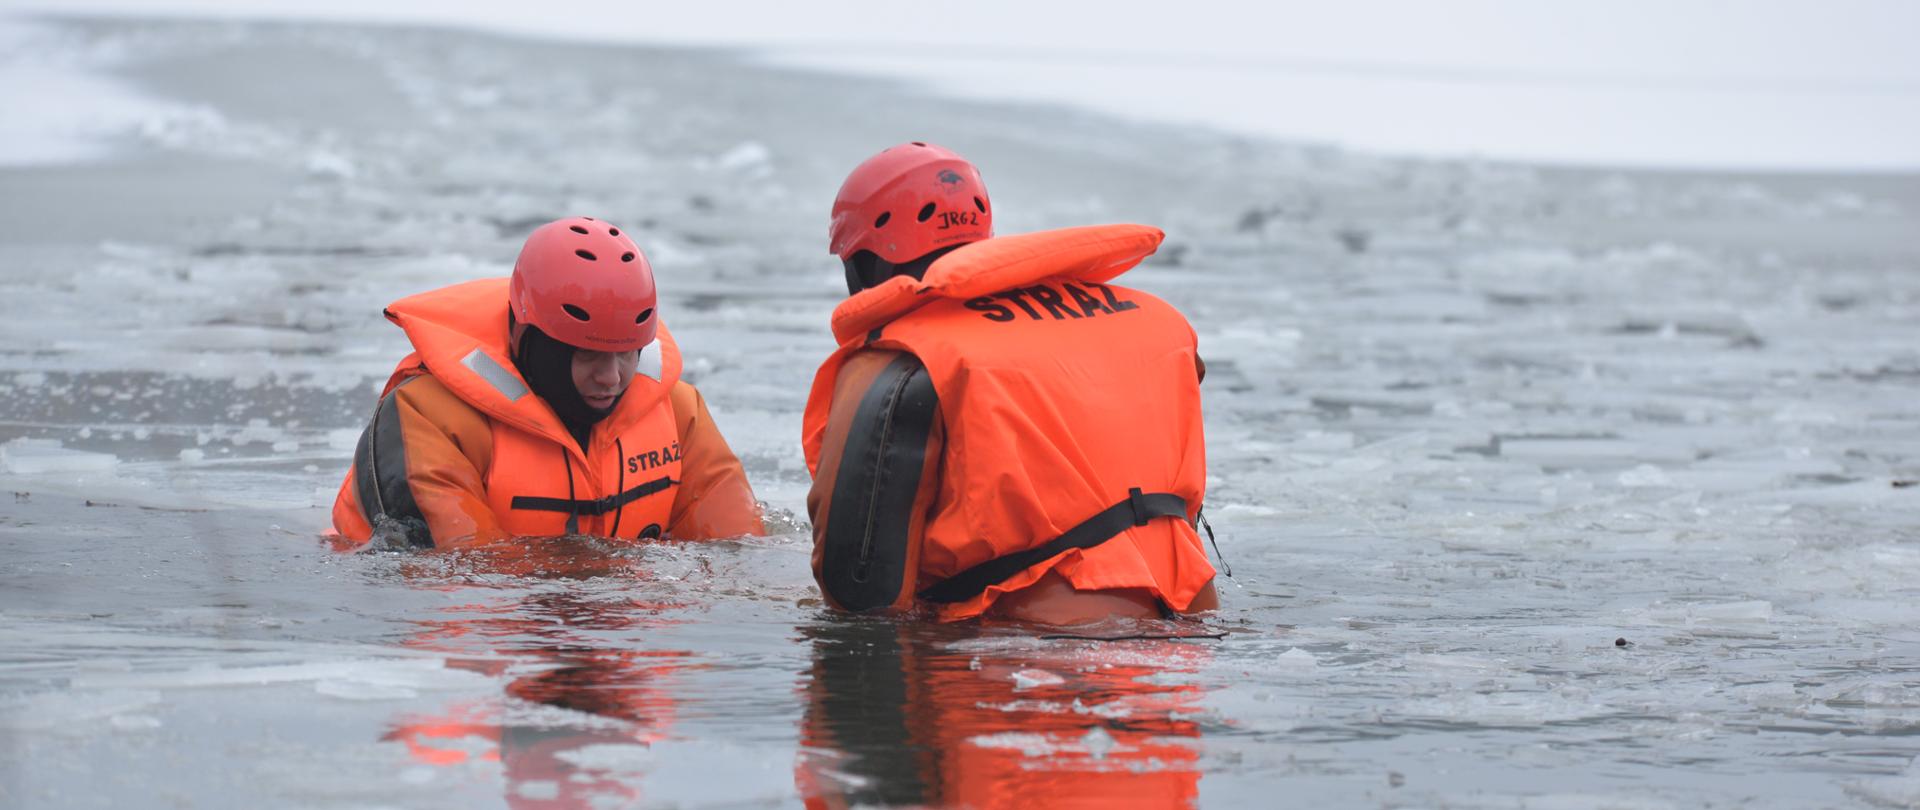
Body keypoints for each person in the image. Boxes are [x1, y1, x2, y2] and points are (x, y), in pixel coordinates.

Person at [800, 142, 1218, 624]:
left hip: (1033, 647)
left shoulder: (906, 363)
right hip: (1192, 617)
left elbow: (859, 584)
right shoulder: (1156, 324)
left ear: (865, 264)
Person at [331, 216, 762, 549]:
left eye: (627, 353)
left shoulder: (679, 412)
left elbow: (737, 555)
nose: (611, 378)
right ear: (532, 343)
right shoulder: (428, 418)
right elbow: (456, 582)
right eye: (588, 354)